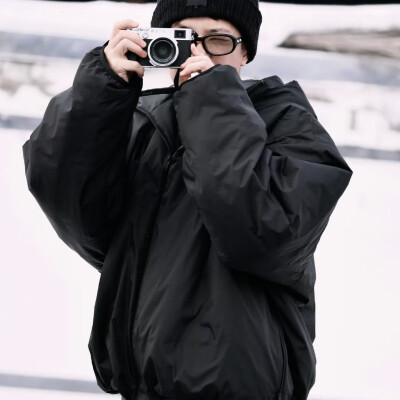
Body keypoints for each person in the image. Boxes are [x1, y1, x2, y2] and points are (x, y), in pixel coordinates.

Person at [22, 0, 353, 399]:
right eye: (183, 37)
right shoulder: (143, 123)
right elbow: (79, 216)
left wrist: (211, 97)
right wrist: (101, 89)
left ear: (245, 52)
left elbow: (264, 234)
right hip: (140, 386)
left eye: (217, 40)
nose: (198, 51)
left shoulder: (287, 122)